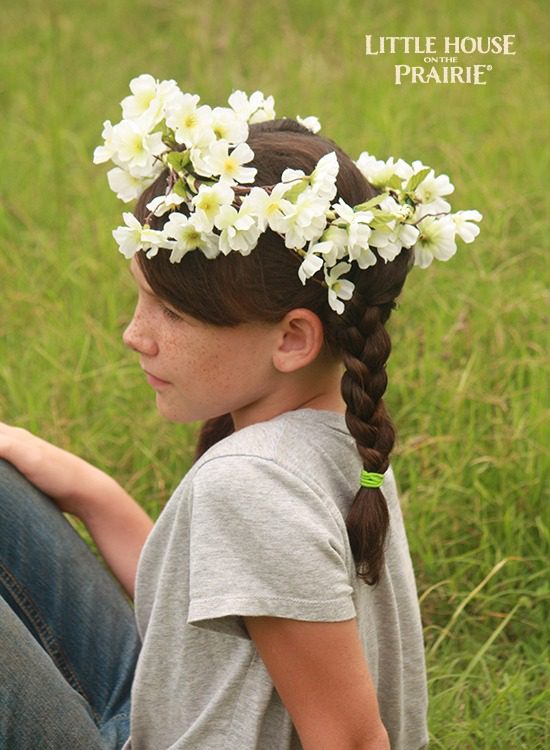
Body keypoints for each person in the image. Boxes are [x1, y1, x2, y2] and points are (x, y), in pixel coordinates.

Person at [0, 75, 482, 750]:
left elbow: (350, 740)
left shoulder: (250, 486)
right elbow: (205, 603)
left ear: (291, 338)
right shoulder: (335, 436)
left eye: (171, 312)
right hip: (158, 716)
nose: (134, 335)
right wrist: (87, 490)